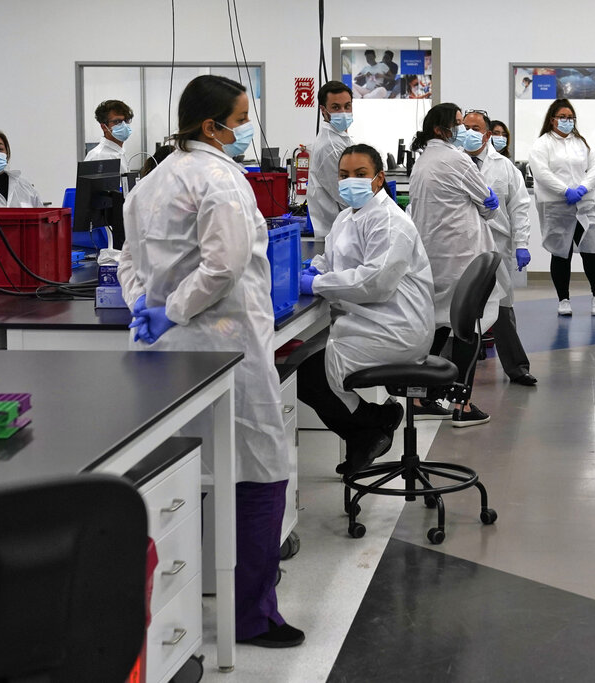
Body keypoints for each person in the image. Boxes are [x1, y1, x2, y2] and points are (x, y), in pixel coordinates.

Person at [117, 74, 303, 649]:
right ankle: (253, 615)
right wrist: (172, 309)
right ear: (211, 125)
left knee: (177, 476)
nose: (246, 130)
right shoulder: (221, 180)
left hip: (167, 350)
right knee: (262, 467)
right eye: (241, 119)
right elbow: (222, 270)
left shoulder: (149, 183)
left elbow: (127, 259)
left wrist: (145, 308)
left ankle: (172, 598)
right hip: (227, 348)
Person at [297, 144, 434, 474]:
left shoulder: (390, 222)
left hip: (397, 328)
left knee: (309, 376)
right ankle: (370, 428)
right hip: (371, 321)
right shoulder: (347, 217)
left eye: (360, 175)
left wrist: (315, 284)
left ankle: (372, 425)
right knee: (305, 372)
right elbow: (333, 260)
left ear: (378, 179)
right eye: (344, 176)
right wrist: (313, 268)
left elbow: (376, 281)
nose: (350, 182)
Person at [408, 102, 501, 427]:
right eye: (459, 123)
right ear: (440, 129)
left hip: (433, 258)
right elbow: (487, 208)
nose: (465, 130)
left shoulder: (421, 162)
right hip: (463, 259)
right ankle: (462, 404)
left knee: (437, 324)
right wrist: (490, 202)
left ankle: (421, 395)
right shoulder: (458, 160)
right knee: (466, 329)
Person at [463, 110, 535, 386]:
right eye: (465, 127)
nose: (468, 132)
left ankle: (517, 367)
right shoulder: (453, 162)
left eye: (475, 128)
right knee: (457, 306)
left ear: (488, 134)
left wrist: (522, 244)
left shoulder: (504, 167)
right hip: (463, 243)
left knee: (503, 305)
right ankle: (452, 371)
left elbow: (520, 208)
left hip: (497, 244)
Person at [528, 98, 595, 317]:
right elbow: (542, 173)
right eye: (562, 117)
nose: (567, 121)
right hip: (557, 206)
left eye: (570, 118)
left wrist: (582, 188)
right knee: (561, 252)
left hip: (583, 204)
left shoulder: (581, 142)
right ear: (552, 120)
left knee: (592, 250)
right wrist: (565, 191)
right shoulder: (542, 144)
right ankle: (563, 299)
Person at [306, 81, 353, 238]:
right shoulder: (330, 147)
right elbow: (348, 197)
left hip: (344, 231)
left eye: (347, 106)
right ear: (323, 110)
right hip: (337, 233)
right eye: (336, 107)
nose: (343, 112)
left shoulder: (341, 139)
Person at [84, 99, 134, 175]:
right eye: (117, 122)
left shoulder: (119, 152)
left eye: (126, 120)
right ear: (104, 127)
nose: (124, 125)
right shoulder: (99, 157)